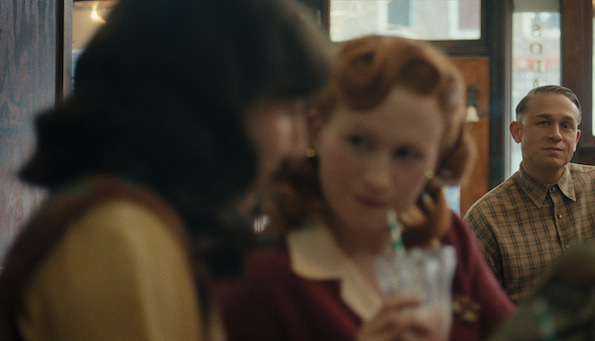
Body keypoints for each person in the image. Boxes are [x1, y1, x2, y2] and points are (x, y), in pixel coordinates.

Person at [0, 0, 332, 339]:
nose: (299, 144)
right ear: (215, 102)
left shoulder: (140, 225)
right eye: (289, 110)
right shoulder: (122, 239)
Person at [214, 35, 515, 341]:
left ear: (436, 161)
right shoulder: (260, 280)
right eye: (358, 142)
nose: (378, 179)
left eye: (406, 154)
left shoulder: (446, 239)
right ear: (316, 131)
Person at [463, 85, 595, 339]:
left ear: (576, 138)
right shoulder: (485, 218)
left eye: (566, 126)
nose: (556, 135)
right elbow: (476, 313)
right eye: (543, 123)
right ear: (517, 131)